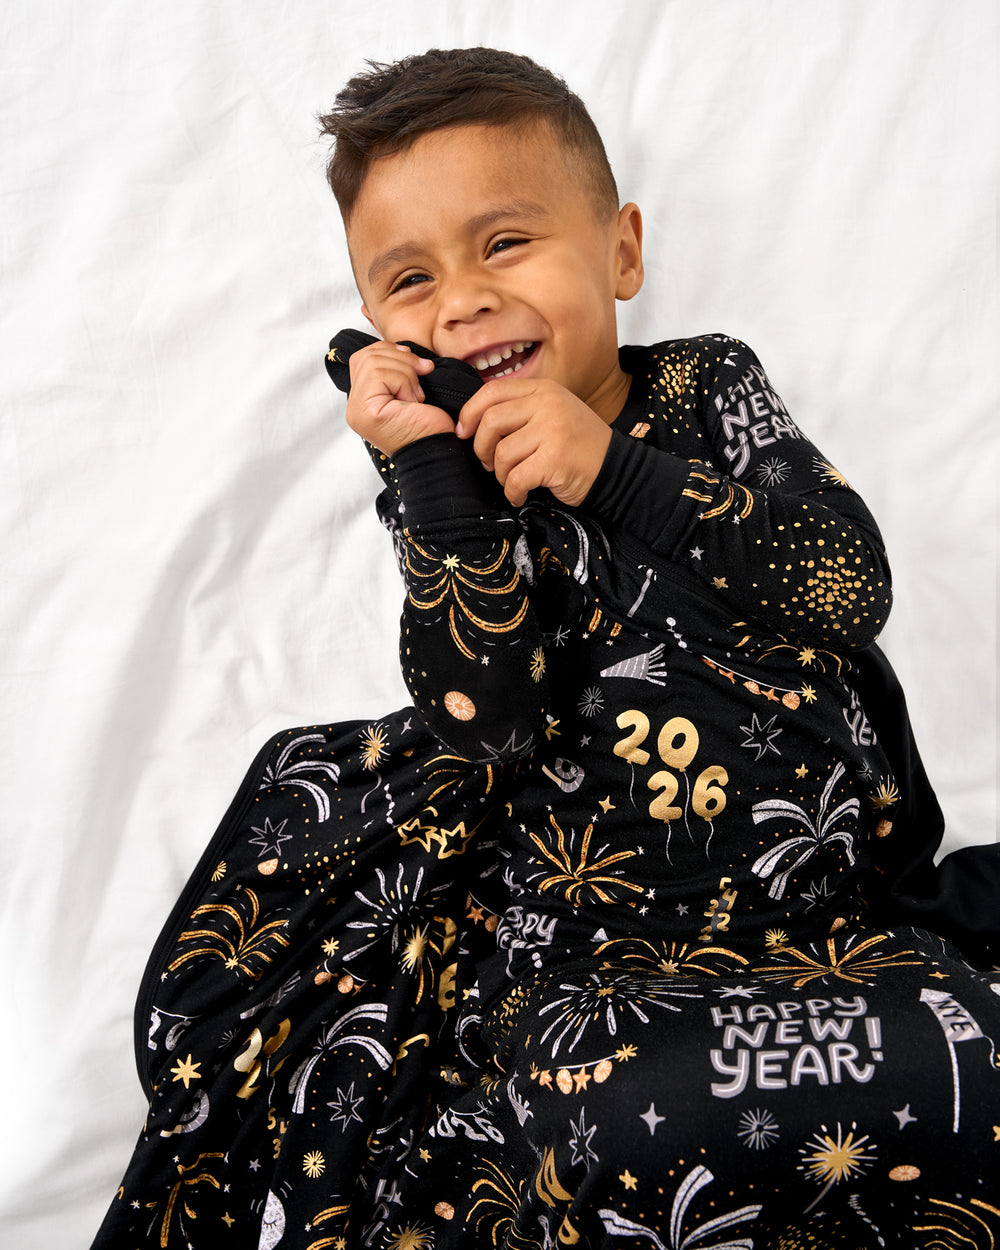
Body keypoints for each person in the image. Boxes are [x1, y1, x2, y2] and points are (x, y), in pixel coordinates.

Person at [92, 48, 1000, 1250]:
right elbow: (488, 715)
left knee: (968, 1054)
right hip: (598, 966)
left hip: (820, 930)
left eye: (503, 243)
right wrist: (432, 478)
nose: (460, 298)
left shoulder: (706, 390)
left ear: (620, 251)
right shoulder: (452, 490)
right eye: (409, 278)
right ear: (378, 328)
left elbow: (847, 584)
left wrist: (611, 468)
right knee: (597, 1120)